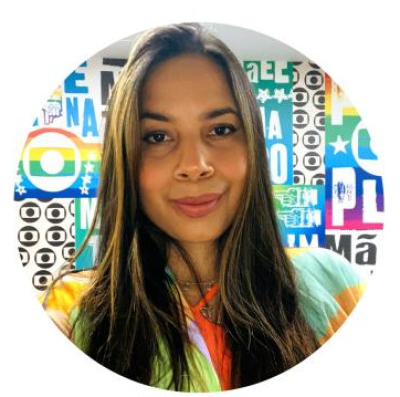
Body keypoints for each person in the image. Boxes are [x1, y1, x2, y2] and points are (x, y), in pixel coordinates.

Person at [39, 22, 366, 392]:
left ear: (253, 145)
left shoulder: (333, 284)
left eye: (221, 129)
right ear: (125, 157)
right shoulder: (74, 312)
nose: (195, 165)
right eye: (157, 136)